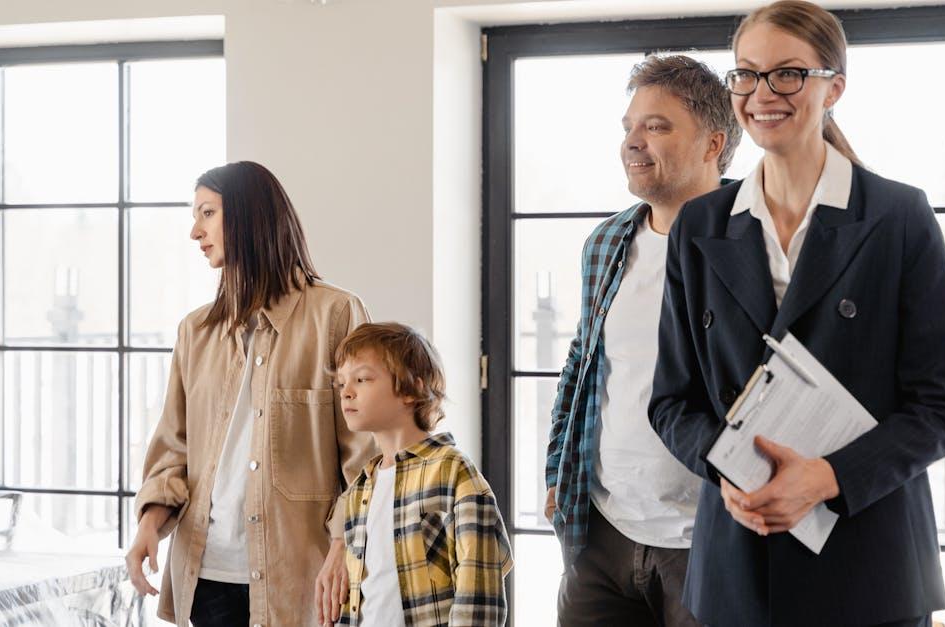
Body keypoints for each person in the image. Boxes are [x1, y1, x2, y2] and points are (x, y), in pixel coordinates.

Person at [648, 2, 945, 625]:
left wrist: (826, 478)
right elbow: (671, 401)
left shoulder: (898, 217)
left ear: (834, 87)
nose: (763, 93)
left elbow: (939, 409)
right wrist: (729, 471)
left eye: (788, 73)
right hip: (738, 568)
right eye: (746, 74)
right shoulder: (700, 225)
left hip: (871, 570)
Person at [124, 161, 376, 627]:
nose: (195, 231)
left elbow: (365, 457)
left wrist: (344, 544)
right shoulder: (195, 331)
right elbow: (173, 451)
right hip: (206, 579)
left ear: (249, 215)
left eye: (207, 213)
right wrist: (148, 526)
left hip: (301, 583)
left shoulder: (336, 315)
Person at [544, 54, 740, 626]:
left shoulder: (750, 241)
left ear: (712, 144)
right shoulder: (607, 241)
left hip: (708, 536)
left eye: (656, 126)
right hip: (602, 531)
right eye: (629, 127)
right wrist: (559, 471)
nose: (633, 141)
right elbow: (583, 361)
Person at [334, 322, 512, 626]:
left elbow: (479, 593)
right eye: (341, 384)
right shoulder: (360, 489)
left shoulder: (452, 472)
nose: (347, 393)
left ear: (411, 390)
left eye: (362, 379)